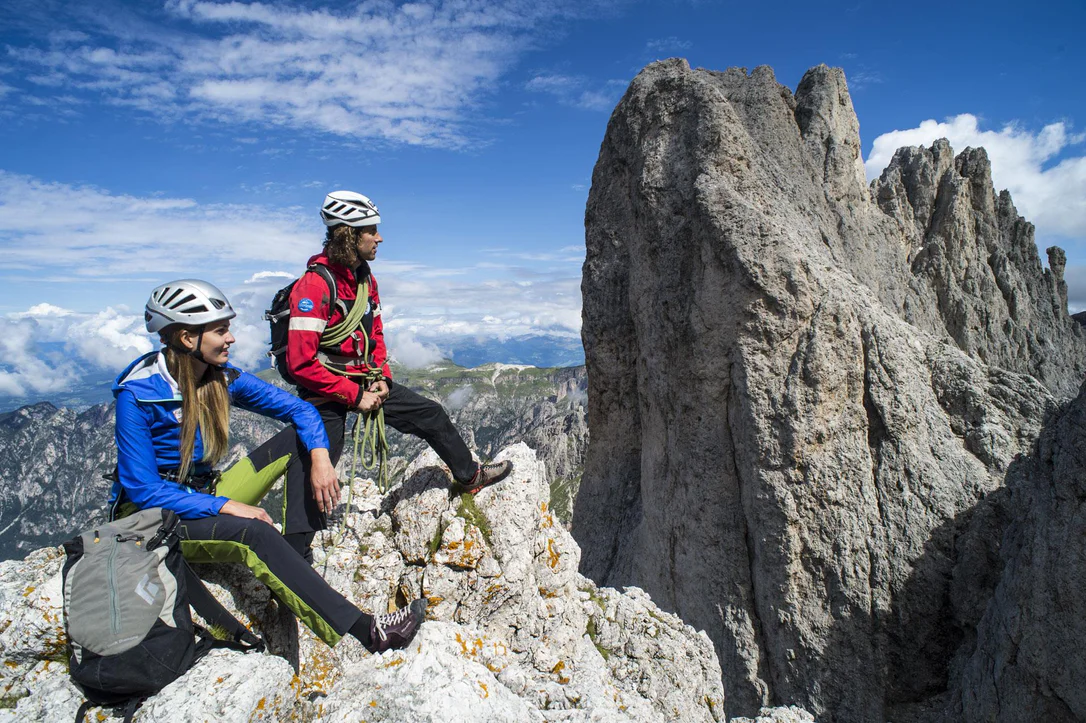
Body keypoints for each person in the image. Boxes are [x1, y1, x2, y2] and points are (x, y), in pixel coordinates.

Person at [110, 278, 424, 653]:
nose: (231, 339)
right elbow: (143, 488)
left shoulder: (221, 378)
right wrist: (226, 506)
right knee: (255, 534)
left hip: (202, 492)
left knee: (301, 439)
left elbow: (301, 410)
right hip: (156, 518)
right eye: (220, 330)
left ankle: (294, 552)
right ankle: (370, 632)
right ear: (186, 338)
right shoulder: (139, 395)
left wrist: (321, 459)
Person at [280, 190, 513, 557]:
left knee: (431, 414)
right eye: (371, 230)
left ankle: (470, 477)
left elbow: (375, 333)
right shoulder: (314, 286)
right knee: (318, 476)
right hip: (325, 391)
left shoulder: (363, 278)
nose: (380, 237)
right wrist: (355, 396)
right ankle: (291, 560)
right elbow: (300, 364)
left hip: (365, 379)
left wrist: (383, 376)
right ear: (348, 235)